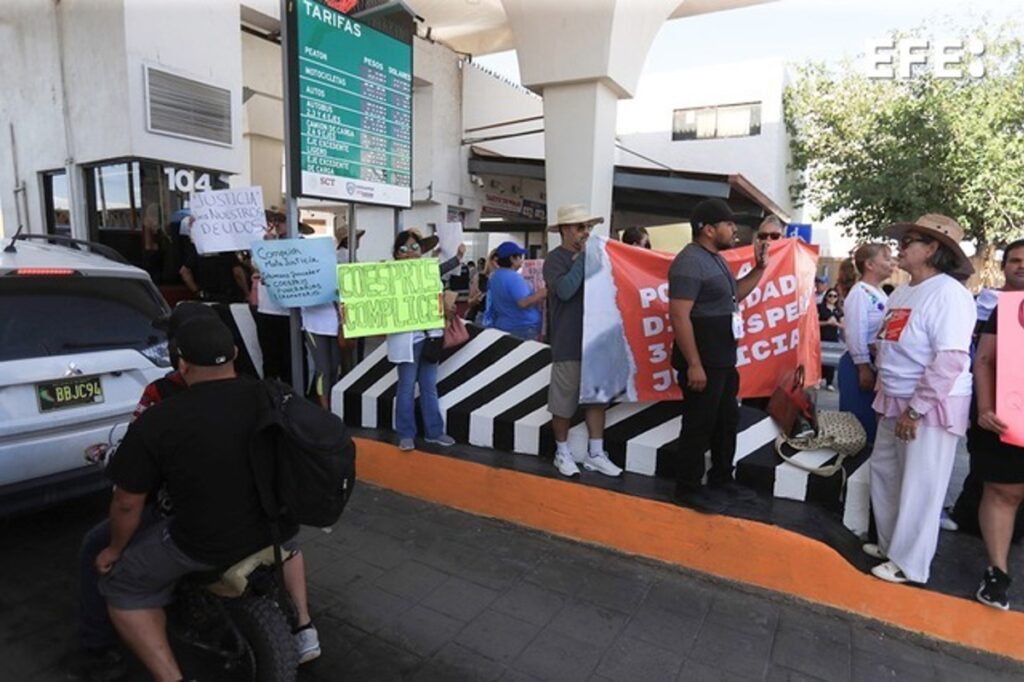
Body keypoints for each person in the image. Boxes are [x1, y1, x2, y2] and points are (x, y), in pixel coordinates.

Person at [96, 316, 317, 680]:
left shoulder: (161, 418)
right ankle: (304, 625)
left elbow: (126, 503)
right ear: (233, 352)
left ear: (181, 364)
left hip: (202, 545)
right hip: (277, 527)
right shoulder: (270, 395)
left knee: (123, 588)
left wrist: (114, 551)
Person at [863, 214, 976, 584]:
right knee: (887, 472)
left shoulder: (950, 294)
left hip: (925, 405)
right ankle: (890, 544)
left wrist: (916, 408)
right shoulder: (905, 291)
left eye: (911, 240)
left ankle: (909, 563)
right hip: (895, 398)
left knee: (920, 483)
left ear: (932, 249)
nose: (901, 246)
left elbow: (950, 359)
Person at [668, 198, 768, 512]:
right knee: (699, 424)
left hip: (723, 359)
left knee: (726, 421)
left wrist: (761, 268)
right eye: (728, 224)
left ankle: (722, 478)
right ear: (709, 230)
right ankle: (687, 487)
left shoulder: (716, 260)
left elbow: (735, 294)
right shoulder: (688, 262)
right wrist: (695, 364)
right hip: (704, 362)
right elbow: (679, 316)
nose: (734, 229)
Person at [543, 204, 623, 478]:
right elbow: (565, 291)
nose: (585, 233)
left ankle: (596, 453)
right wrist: (582, 261)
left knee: (597, 401)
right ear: (565, 230)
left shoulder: (594, 258)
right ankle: (562, 453)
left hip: (595, 342)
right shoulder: (555, 260)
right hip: (568, 342)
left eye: (588, 227)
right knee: (563, 403)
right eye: (580, 227)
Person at [971, 239, 1024, 609]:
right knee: (1003, 493)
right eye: (1016, 260)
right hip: (1006, 420)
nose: (1022, 266)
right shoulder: (1001, 310)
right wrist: (985, 408)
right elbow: (984, 361)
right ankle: (996, 572)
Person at [387, 229, 461, 451]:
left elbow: (440, 305)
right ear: (396, 254)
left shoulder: (430, 273)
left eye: (415, 247)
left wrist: (448, 310)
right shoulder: (388, 277)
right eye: (403, 249)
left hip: (431, 338)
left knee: (429, 386)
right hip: (406, 340)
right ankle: (405, 433)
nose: (410, 252)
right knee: (407, 386)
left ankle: (434, 432)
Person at [838, 243, 894, 444]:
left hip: (875, 363)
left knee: (872, 428)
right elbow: (855, 332)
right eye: (886, 258)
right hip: (859, 366)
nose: (892, 263)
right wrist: (862, 366)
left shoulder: (879, 292)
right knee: (858, 429)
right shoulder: (860, 293)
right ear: (870, 264)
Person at [485, 241, 546, 339]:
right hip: (522, 327)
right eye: (520, 257)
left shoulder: (495, 276)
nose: (522, 260)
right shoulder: (513, 278)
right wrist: (541, 293)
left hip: (504, 325)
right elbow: (523, 303)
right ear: (512, 259)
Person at [817, 287, 844, 390]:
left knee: (831, 360)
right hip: (821, 335)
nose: (832, 298)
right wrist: (827, 322)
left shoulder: (838, 310)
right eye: (830, 295)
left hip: (833, 337)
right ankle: (818, 379)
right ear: (826, 296)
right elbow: (815, 322)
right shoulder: (820, 307)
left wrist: (835, 323)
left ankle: (829, 382)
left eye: (835, 296)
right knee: (819, 359)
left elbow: (843, 325)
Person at [467, 249, 497, 324]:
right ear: (490, 261)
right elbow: (470, 301)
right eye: (495, 261)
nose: (496, 265)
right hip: (481, 316)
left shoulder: (506, 279)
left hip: (500, 318)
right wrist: (476, 299)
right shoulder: (479, 277)